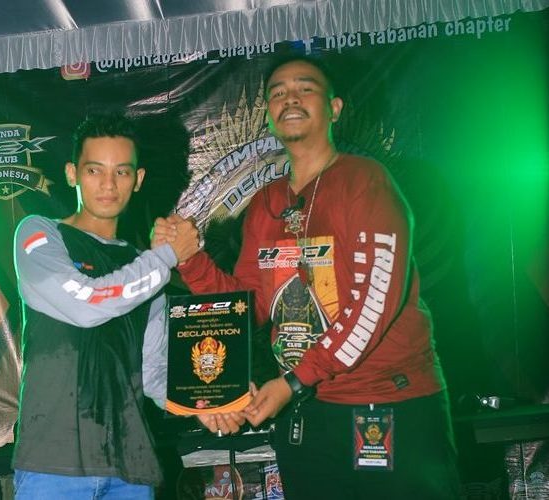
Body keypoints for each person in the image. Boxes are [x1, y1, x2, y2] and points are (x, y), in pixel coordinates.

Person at [154, 54, 461, 498]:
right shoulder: (265, 205)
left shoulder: (364, 181)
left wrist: (295, 380)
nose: (290, 98)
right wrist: (189, 259)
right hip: (307, 410)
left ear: (334, 108)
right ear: (268, 114)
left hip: (386, 402)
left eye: (305, 88)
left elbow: (373, 305)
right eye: (278, 93)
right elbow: (248, 306)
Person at [11, 112, 198, 499]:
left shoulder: (145, 269)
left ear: (138, 179)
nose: (109, 184)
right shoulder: (40, 233)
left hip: (130, 469)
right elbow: (86, 304)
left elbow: (154, 375)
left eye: (122, 172)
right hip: (52, 466)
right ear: (72, 174)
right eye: (95, 170)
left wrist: (213, 403)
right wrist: (164, 258)